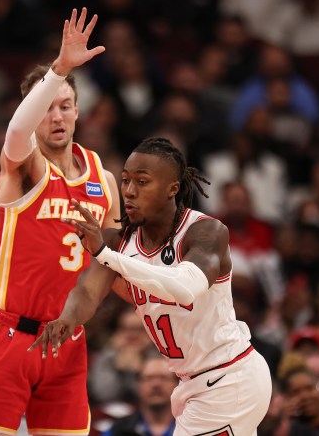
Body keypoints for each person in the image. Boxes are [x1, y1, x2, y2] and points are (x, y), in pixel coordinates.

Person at [31, 136, 272, 435]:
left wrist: (107, 256)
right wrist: (67, 318)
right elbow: (88, 291)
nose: (130, 192)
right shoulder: (120, 242)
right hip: (194, 382)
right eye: (126, 181)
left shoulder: (205, 232)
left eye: (142, 182)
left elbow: (186, 288)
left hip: (229, 378)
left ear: (172, 188)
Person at [0, 8, 121, 435]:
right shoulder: (23, 167)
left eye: (65, 106)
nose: (56, 116)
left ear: (77, 111)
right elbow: (17, 132)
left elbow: (116, 265)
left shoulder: (103, 179)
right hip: (8, 336)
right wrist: (60, 68)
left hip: (67, 343)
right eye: (47, 108)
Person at [102, 354, 178, 436]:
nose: (156, 384)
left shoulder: (191, 428)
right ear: (138, 385)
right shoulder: (117, 430)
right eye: (149, 378)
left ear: (177, 384)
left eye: (164, 378)